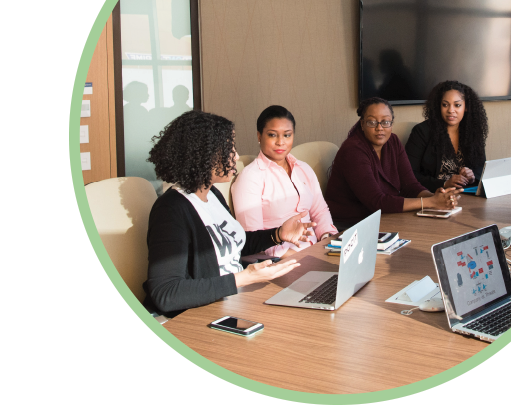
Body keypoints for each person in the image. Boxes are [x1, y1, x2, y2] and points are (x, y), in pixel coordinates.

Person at [143, 110, 314, 318]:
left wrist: (278, 234)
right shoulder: (170, 210)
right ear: (203, 154)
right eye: (228, 148)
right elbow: (166, 293)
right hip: (201, 314)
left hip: (234, 300)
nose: (235, 155)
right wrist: (242, 278)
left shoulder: (212, 194)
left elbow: (233, 245)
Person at [325, 97, 461, 228]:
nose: (380, 128)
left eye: (385, 122)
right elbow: (377, 202)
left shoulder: (393, 142)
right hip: (350, 225)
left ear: (391, 123)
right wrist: (430, 202)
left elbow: (410, 186)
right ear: (362, 124)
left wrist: (435, 197)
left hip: (384, 218)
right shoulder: (353, 150)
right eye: (372, 122)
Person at [231, 105, 338, 258]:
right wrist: (304, 258)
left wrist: (328, 240)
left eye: (287, 135)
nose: (281, 142)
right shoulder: (250, 179)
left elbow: (320, 211)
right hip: (284, 261)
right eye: (273, 135)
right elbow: (252, 239)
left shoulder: (303, 168)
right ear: (259, 136)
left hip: (319, 251)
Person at [405, 80, 488, 192]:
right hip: (433, 195)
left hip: (466, 194)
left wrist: (472, 176)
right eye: (445, 105)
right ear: (438, 106)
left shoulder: (472, 131)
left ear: (466, 107)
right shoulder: (421, 132)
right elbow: (409, 174)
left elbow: (481, 169)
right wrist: (444, 183)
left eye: (457, 105)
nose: (450, 110)